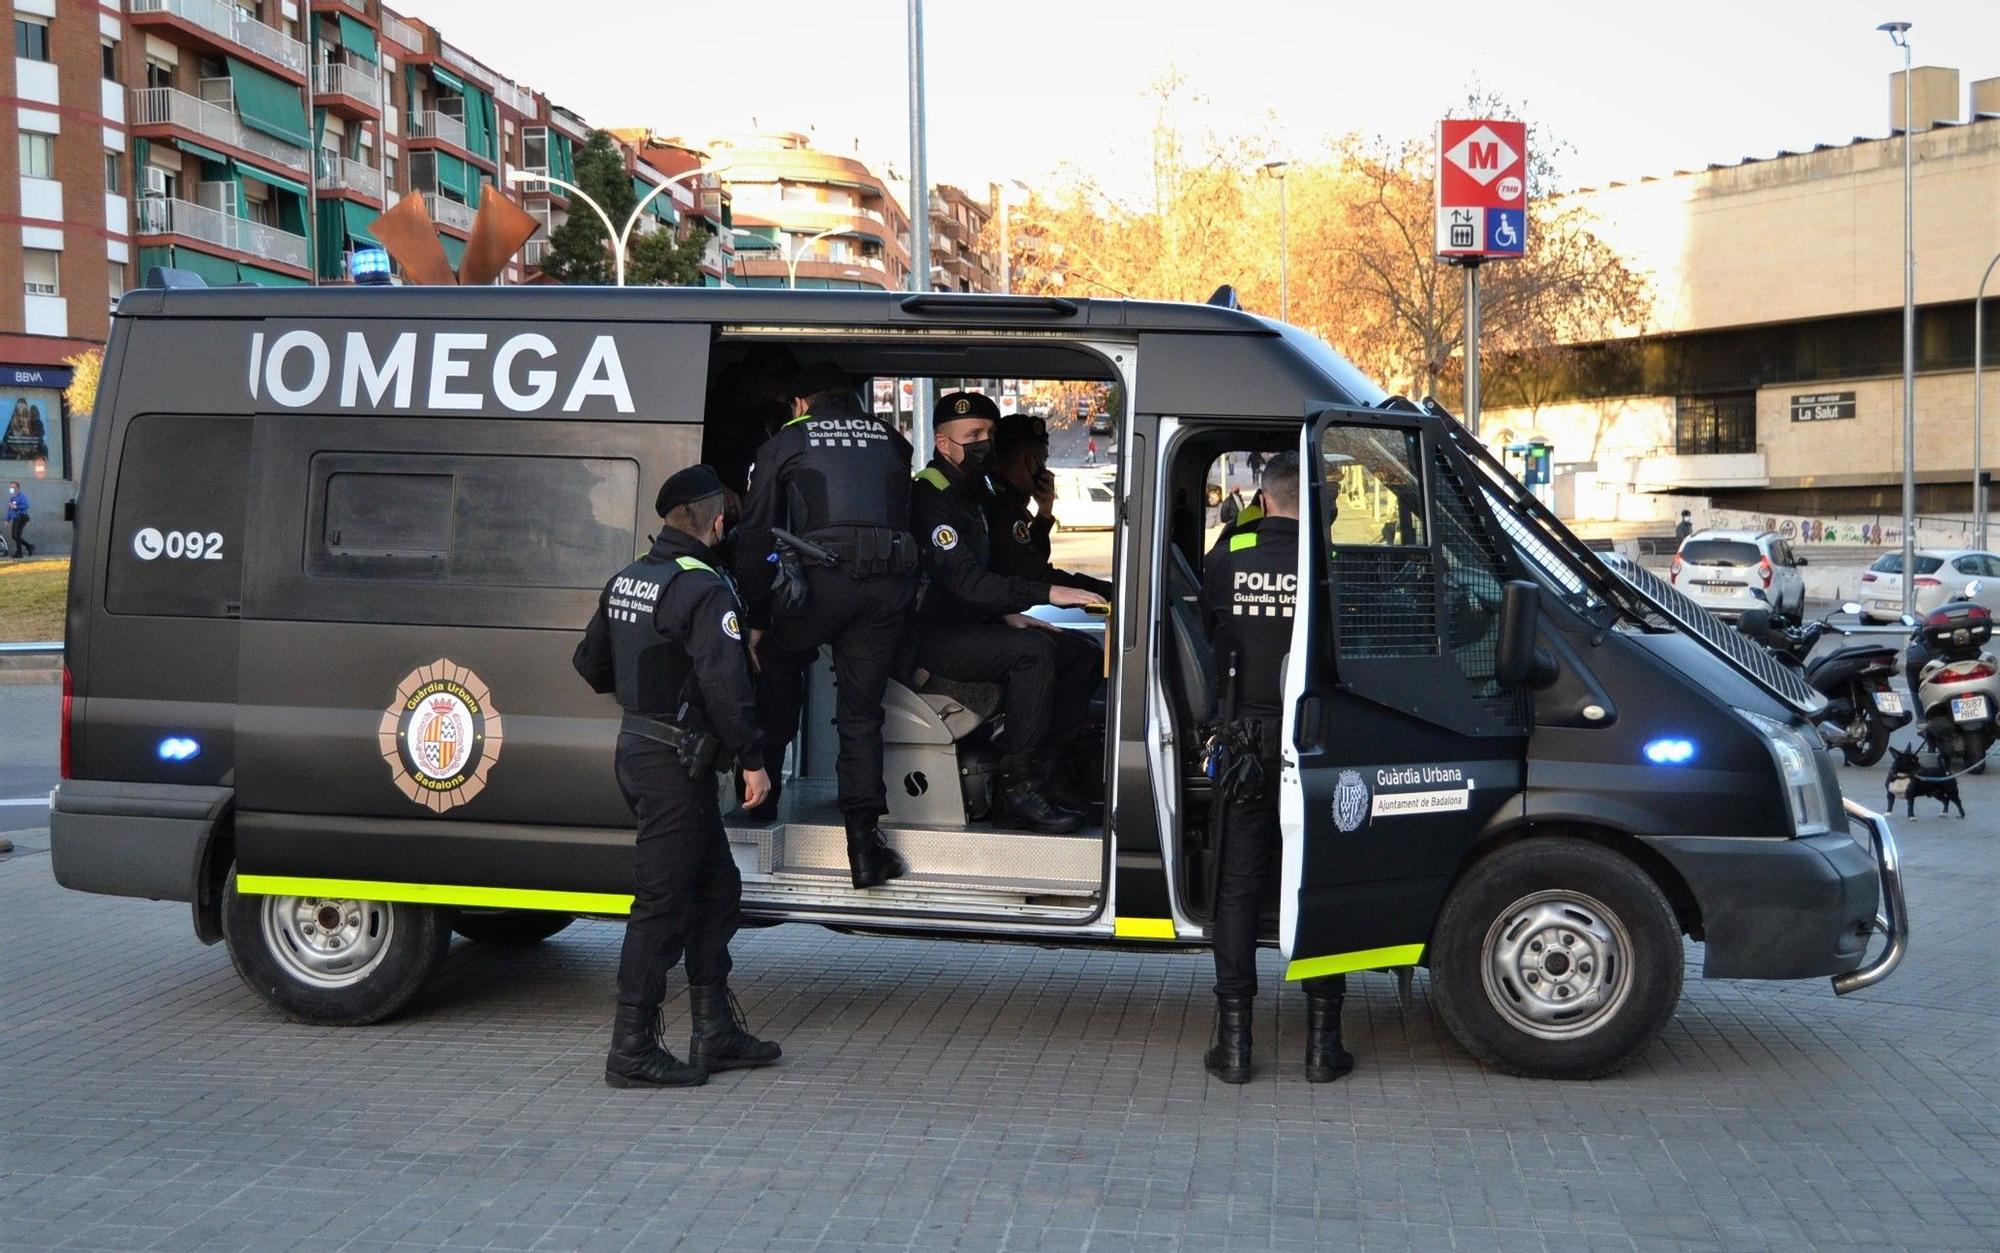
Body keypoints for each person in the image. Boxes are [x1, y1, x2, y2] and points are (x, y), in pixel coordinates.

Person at [574, 465, 783, 1090]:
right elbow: (726, 682)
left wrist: (652, 693)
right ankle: (631, 1048)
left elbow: (590, 664)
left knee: (716, 891)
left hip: (643, 750)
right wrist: (752, 758)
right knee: (661, 905)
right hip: (675, 764)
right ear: (716, 520)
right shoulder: (704, 587)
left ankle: (713, 1031)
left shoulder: (630, 578)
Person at [1198, 452, 1351, 1085]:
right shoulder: (1332, 563)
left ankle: (1235, 1046)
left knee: (1238, 886)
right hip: (1318, 743)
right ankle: (1323, 1044)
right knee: (1318, 885)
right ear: (1321, 503)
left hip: (1245, 742)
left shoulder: (1229, 553)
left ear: (1262, 500)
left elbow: (1208, 631)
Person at [735, 362, 917, 889]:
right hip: (886, 587)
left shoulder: (787, 441)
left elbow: (756, 534)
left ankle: (758, 809)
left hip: (817, 586)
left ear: (800, 404)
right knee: (861, 715)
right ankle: (863, 849)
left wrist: (757, 618)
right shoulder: (891, 437)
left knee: (779, 668)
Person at [911, 392, 1107, 832]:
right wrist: (1047, 593)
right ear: (943, 444)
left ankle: (1050, 773)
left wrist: (1009, 612)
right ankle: (1016, 788)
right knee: (1032, 654)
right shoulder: (932, 496)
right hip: (932, 637)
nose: (985, 443)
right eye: (973, 435)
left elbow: (1001, 568)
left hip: (971, 626)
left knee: (1078, 652)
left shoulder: (974, 492)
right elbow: (963, 582)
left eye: (989, 434)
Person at [983, 413, 1112, 812]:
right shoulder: (996, 503)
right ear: (1025, 461)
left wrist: (1043, 511)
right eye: (1039, 459)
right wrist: (1102, 589)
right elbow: (1033, 571)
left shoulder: (1007, 502)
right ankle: (1035, 770)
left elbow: (1029, 560)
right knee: (1064, 654)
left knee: (1080, 649)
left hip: (997, 613)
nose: (1042, 468)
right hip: (978, 621)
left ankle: (1054, 765)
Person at [7, 483, 32, 559]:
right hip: (16, 517)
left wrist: (16, 507)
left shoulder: (22, 496)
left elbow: (26, 506)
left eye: (12, 487)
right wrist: (7, 519)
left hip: (22, 516)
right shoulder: (13, 498)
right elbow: (10, 509)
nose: (11, 488)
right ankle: (29, 546)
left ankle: (19, 553)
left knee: (16, 535)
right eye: (10, 487)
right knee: (15, 536)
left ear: (17, 488)